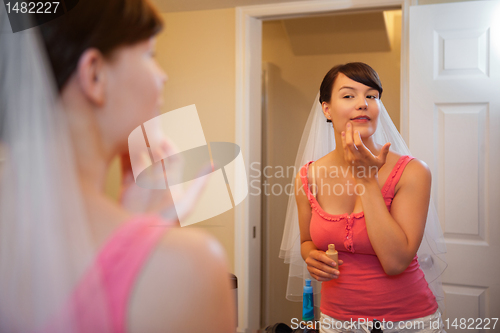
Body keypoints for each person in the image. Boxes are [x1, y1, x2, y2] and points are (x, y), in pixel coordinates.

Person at [0, 1, 235, 332]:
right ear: (95, 75)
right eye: (150, 55)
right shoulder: (188, 268)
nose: (163, 76)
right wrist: (152, 240)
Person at [280, 63, 447, 333]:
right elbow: (307, 241)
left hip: (407, 323)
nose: (363, 104)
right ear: (327, 109)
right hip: (335, 323)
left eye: (371, 96)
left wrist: (367, 179)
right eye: (349, 96)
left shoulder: (413, 172)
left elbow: (396, 262)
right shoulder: (307, 177)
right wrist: (311, 256)